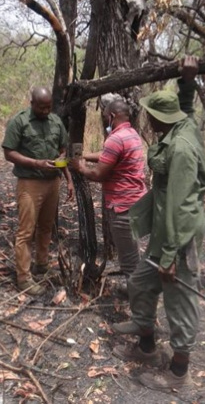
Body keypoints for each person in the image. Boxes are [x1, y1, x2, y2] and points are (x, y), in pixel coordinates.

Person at [111, 57, 205, 392]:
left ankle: (178, 375)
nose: (146, 117)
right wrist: (187, 81)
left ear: (158, 119)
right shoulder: (182, 127)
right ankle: (147, 346)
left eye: (150, 114)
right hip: (164, 230)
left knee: (179, 304)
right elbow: (185, 110)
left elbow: (181, 206)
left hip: (178, 236)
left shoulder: (182, 148)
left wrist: (170, 254)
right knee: (140, 283)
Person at [2, 87, 74, 295]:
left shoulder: (55, 121)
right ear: (31, 103)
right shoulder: (20, 121)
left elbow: (62, 150)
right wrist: (36, 163)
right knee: (26, 231)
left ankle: (42, 265)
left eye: (48, 107)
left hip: (53, 182)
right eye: (41, 107)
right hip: (30, 182)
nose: (45, 110)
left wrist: (68, 178)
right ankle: (23, 278)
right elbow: (9, 152)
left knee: (46, 227)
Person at [69, 97, 147, 278]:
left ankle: (136, 298)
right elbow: (108, 155)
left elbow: (98, 174)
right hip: (135, 203)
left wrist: (80, 167)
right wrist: (86, 156)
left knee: (129, 260)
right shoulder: (131, 134)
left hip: (122, 206)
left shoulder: (116, 139)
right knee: (132, 251)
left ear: (111, 116)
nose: (103, 119)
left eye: (104, 116)